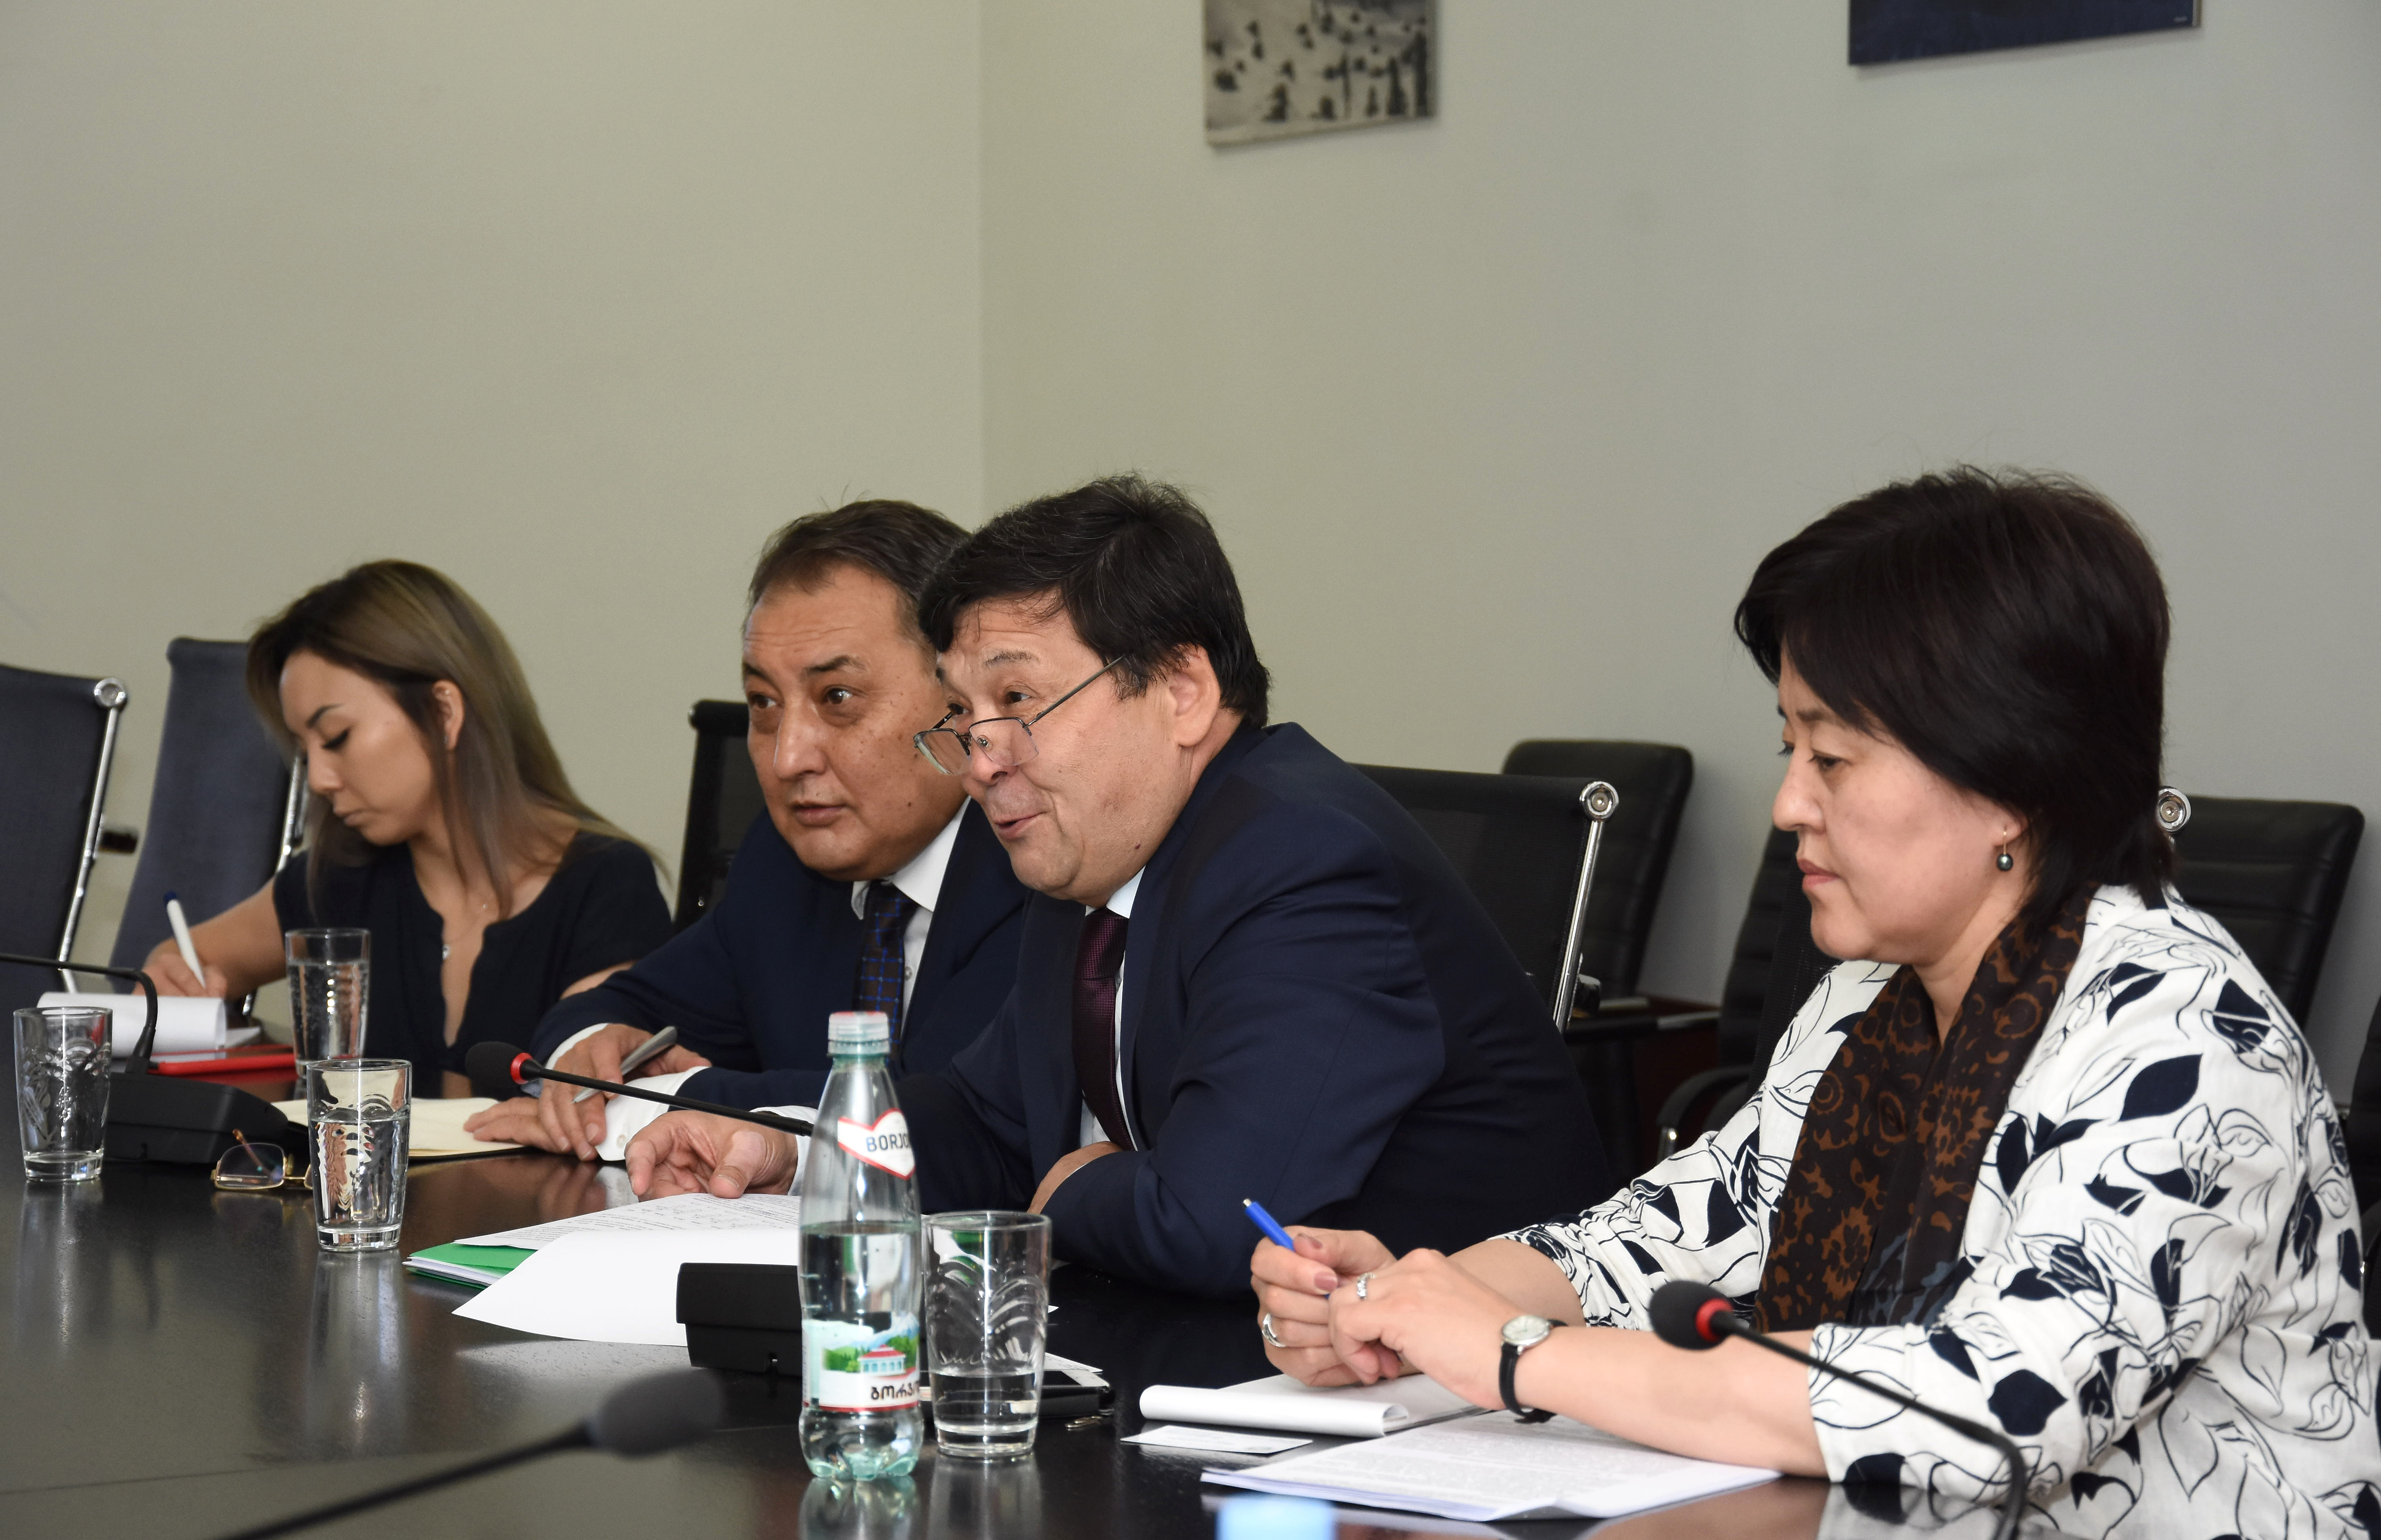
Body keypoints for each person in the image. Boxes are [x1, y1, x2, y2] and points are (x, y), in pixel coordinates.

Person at [1251, 469, 2377, 1536]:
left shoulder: (2184, 1036)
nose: (1788, 803)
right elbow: (1661, 1234)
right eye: (1788, 746)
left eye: (1832, 758)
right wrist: (1400, 1301)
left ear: (2014, 785)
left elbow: (1989, 1411)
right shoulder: (1866, 1002)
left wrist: (1511, 1352)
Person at [624, 475, 1614, 1297]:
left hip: (1471, 1399)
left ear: (1182, 691)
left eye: (1018, 699)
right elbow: (985, 1118)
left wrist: (1066, 1190)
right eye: (964, 715)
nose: (982, 759)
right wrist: (802, 1151)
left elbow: (1217, 1224)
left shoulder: (1304, 860)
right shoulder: (1090, 856)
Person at [467, 500, 1032, 1158]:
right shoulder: (781, 862)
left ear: (957, 701)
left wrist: (651, 1102)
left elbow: (933, 1112)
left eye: (837, 698)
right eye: (764, 703)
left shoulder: (1028, 858)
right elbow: (613, 1009)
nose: (788, 758)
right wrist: (588, 1057)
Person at [147, 561, 671, 1096]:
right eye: (305, 753)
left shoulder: (607, 887)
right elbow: (177, 960)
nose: (320, 780)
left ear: (443, 712)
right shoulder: (339, 880)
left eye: (337, 736)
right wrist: (171, 985)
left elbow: (587, 1096)